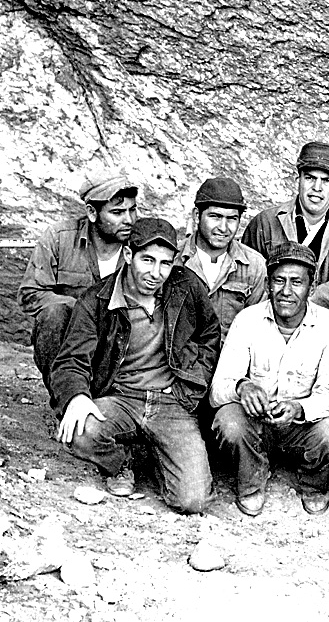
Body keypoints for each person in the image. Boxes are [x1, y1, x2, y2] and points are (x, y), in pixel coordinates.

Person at [50, 218, 220, 513]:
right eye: (147, 260)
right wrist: (77, 396)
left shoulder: (187, 287)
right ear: (128, 255)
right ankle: (120, 463)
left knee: (192, 501)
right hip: (121, 398)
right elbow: (71, 359)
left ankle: (162, 456)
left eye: (165, 264)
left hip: (171, 401)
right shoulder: (97, 300)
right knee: (78, 432)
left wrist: (192, 385)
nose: (156, 273)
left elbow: (210, 335)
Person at [209, 242, 329, 517]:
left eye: (297, 282)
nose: (286, 291)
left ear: (311, 288)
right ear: (267, 284)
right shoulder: (247, 320)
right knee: (228, 421)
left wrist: (299, 409)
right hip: (257, 426)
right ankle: (252, 479)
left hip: (300, 428)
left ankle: (312, 482)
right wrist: (243, 387)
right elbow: (217, 391)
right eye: (279, 281)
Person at [241, 141, 329, 420]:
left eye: (326, 180)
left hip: (328, 321)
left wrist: (321, 295)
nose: (317, 188)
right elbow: (249, 275)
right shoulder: (267, 222)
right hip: (277, 316)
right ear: (298, 179)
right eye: (310, 178)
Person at [18, 170, 139, 403]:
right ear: (92, 213)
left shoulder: (141, 246)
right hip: (72, 341)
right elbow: (30, 293)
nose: (129, 220)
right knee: (53, 315)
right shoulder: (59, 237)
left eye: (132, 210)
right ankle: (64, 402)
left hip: (120, 343)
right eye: (117, 212)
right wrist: (81, 310)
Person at [177, 177, 267, 342]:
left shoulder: (254, 266)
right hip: (181, 361)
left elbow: (258, 328)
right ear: (197, 216)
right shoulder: (173, 259)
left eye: (232, 219)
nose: (223, 228)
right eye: (215, 217)